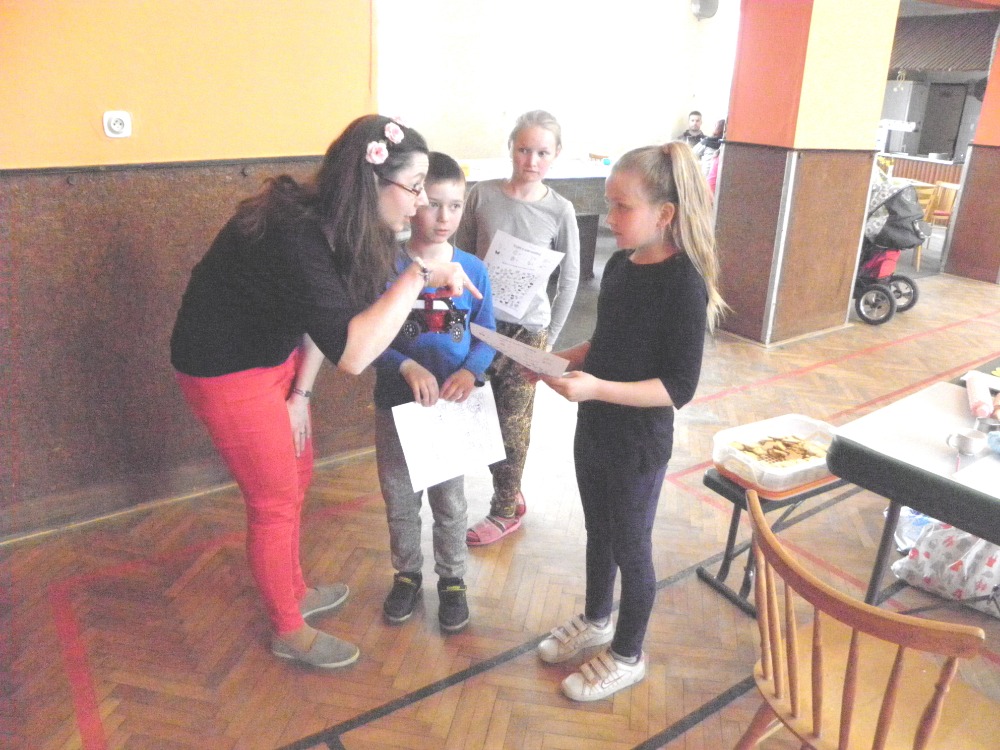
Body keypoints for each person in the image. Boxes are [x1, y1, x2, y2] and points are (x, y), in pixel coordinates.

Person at [170, 115, 480, 670]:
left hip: (273, 356)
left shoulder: (347, 225)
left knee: (298, 474)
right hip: (225, 369)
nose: (419, 205)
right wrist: (420, 274)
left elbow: (328, 319)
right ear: (372, 180)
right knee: (273, 500)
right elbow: (354, 353)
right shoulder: (296, 233)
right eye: (414, 189)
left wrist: (300, 395)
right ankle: (288, 629)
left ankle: (293, 590)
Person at [532, 141, 727, 702]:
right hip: (594, 428)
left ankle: (627, 653)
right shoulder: (620, 266)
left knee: (630, 546)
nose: (610, 217)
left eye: (623, 207)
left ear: (664, 214)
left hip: (638, 444)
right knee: (598, 531)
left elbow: (677, 388)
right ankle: (596, 619)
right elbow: (606, 344)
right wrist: (558, 361)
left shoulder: (683, 283)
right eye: (609, 203)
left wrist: (595, 387)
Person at [373, 152, 496, 633]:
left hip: (451, 409)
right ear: (414, 202)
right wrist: (404, 365)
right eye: (433, 204)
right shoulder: (387, 267)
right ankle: (406, 574)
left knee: (450, 502)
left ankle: (453, 579)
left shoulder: (473, 269)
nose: (444, 217)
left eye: (456, 206)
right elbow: (369, 339)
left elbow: (486, 333)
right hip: (396, 406)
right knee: (400, 500)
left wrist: (471, 372)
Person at [453, 109, 581, 546]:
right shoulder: (482, 195)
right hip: (482, 328)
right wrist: (464, 317)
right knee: (479, 417)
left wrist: (550, 343)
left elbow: (569, 279)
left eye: (542, 152)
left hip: (529, 333)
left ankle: (504, 509)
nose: (532, 160)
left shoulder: (560, 209)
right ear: (511, 147)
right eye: (524, 149)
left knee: (513, 424)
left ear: (556, 154)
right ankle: (508, 489)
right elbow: (462, 259)